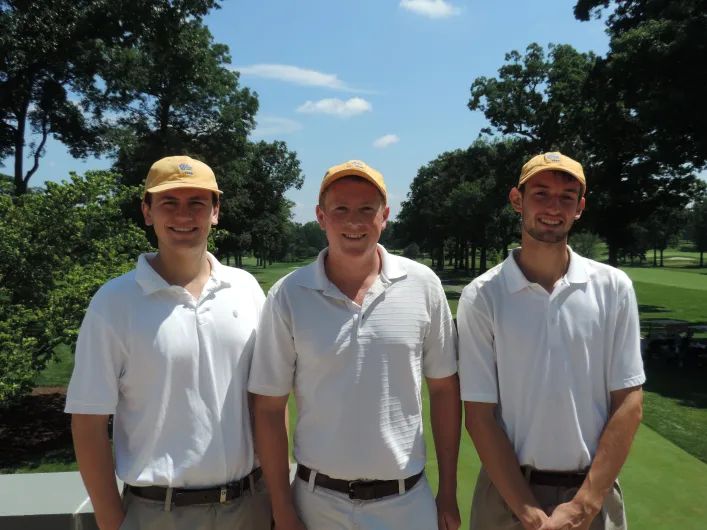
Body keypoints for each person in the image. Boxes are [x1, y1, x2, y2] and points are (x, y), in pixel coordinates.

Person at [248, 160, 462, 530]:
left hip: (406, 502)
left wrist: (447, 491)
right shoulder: (288, 293)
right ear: (320, 216)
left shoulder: (422, 284)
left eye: (367, 209)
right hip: (316, 502)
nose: (354, 221)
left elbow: (444, 389)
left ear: (385, 216)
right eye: (341, 209)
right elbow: (269, 407)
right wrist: (282, 507)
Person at [65, 156, 271, 530]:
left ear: (215, 212)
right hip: (158, 513)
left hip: (250, 506)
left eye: (197, 203)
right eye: (169, 203)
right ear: (147, 211)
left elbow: (267, 404)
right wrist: (113, 523)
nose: (184, 216)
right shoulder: (115, 302)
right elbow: (87, 423)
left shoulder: (246, 289)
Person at [458, 152, 645, 530]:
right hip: (508, 495)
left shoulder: (613, 287)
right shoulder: (482, 295)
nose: (553, 207)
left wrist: (583, 506)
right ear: (517, 200)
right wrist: (527, 511)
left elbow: (629, 402)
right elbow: (479, 416)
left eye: (566, 197)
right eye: (540, 193)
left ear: (580, 207)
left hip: (593, 494)